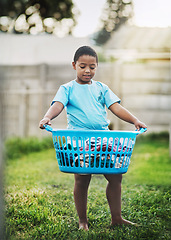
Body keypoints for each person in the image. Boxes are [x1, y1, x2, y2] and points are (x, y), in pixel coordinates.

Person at [39, 46, 147, 230]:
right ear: (74, 66)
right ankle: (82, 221)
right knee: (82, 179)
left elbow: (116, 108)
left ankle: (117, 218)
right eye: (82, 66)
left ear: (97, 67)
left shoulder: (101, 88)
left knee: (115, 177)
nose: (88, 70)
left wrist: (135, 120)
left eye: (92, 67)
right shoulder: (67, 89)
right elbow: (58, 105)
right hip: (79, 141)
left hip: (103, 140)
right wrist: (48, 117)